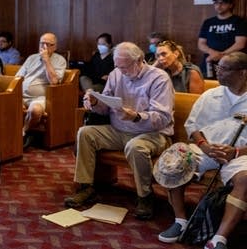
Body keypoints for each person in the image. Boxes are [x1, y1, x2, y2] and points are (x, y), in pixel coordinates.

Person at [64, 42, 174, 220]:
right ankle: (86, 187)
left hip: (152, 133)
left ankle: (145, 196)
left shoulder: (159, 78)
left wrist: (138, 116)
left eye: (124, 67)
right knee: (85, 133)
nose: (120, 71)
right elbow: (105, 108)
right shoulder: (116, 74)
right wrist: (95, 103)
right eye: (117, 66)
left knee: (135, 146)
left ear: (139, 61)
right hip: (120, 130)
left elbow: (163, 117)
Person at [155, 52, 247, 249]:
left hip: (241, 155)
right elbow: (192, 126)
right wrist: (204, 145)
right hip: (207, 149)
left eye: (224, 68)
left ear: (243, 73)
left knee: (245, 179)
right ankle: (180, 221)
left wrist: (237, 152)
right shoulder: (210, 94)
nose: (217, 72)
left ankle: (219, 238)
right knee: (174, 159)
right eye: (218, 67)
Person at [15, 33, 67, 137]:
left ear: (55, 46)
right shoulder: (32, 58)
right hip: (21, 95)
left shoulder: (60, 60)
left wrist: (46, 61)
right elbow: (18, 77)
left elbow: (54, 81)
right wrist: (15, 95)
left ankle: (24, 131)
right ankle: (10, 134)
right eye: (42, 43)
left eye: (48, 44)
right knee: (6, 104)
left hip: (40, 97)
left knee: (35, 110)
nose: (44, 47)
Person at [198, 0, 247, 79]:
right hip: (210, 61)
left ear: (231, 5)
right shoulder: (208, 22)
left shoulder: (239, 21)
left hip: (231, 62)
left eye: (222, 3)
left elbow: (240, 43)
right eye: (216, 3)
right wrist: (212, 53)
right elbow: (201, 43)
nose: (219, 6)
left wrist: (222, 55)